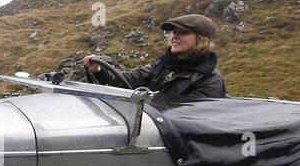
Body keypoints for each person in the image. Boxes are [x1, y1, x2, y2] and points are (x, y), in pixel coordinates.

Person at [83, 14, 226, 109]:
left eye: (183, 32)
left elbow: (192, 118)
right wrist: (100, 71)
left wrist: (148, 104)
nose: (175, 37)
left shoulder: (211, 79)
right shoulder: (161, 65)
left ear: (201, 39)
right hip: (148, 129)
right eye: (174, 32)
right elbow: (126, 80)